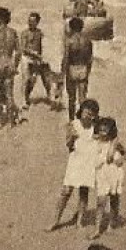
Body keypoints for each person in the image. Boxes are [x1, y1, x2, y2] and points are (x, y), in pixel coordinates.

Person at [50, 98, 102, 231]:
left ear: (95, 115)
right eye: (86, 112)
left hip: (88, 163)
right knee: (66, 191)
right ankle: (55, 220)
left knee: (83, 193)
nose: (88, 116)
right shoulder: (74, 125)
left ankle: (80, 221)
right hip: (75, 161)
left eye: (91, 114)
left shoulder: (96, 129)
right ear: (81, 111)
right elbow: (68, 145)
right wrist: (71, 137)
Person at [91, 116, 126, 238]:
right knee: (101, 201)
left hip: (114, 173)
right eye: (100, 130)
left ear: (110, 131)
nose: (102, 133)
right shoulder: (96, 141)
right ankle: (97, 229)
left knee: (114, 198)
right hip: (102, 174)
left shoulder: (114, 143)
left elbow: (125, 153)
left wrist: (121, 159)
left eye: (105, 131)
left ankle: (112, 222)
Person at [20, 11, 56, 108]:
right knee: (26, 79)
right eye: (29, 21)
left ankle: (50, 97)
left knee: (40, 78)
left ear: (37, 22)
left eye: (33, 21)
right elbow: (23, 48)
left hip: (37, 58)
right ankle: (24, 99)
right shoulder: (25, 33)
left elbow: (43, 46)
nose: (30, 23)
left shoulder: (40, 33)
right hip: (26, 58)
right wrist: (33, 53)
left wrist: (43, 58)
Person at [62, 16, 94, 119]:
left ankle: (71, 120)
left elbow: (66, 58)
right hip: (83, 68)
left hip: (72, 68)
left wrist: (62, 73)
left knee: (72, 98)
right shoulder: (87, 41)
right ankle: (83, 121)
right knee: (82, 98)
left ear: (71, 28)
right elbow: (90, 59)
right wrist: (88, 72)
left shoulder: (69, 41)